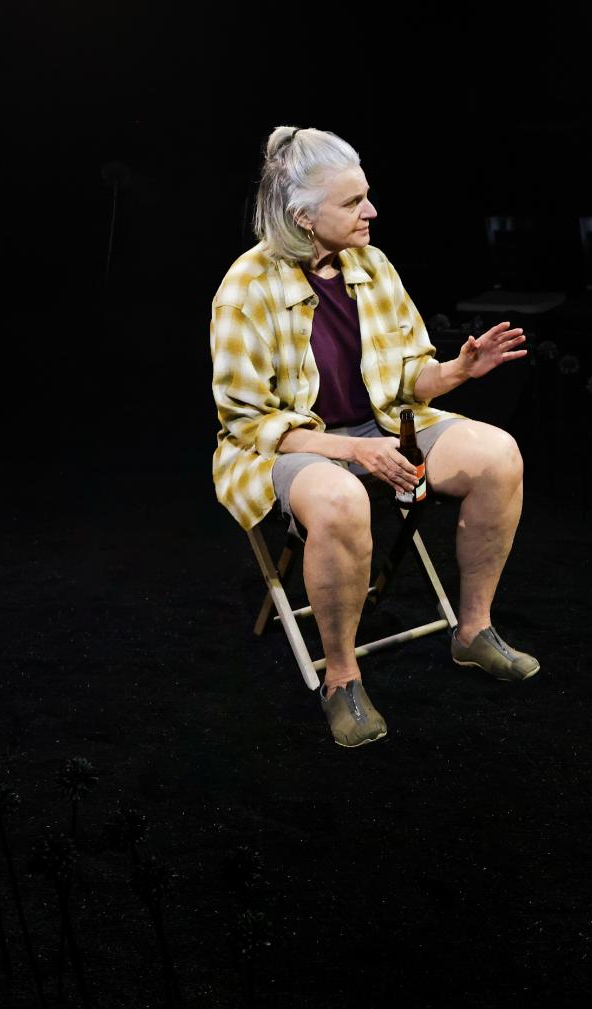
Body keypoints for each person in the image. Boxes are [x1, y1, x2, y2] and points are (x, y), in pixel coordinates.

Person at [211, 126, 535, 746]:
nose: (371, 212)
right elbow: (249, 424)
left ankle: (473, 631)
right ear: (304, 218)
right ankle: (341, 679)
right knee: (341, 498)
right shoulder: (245, 288)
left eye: (366, 196)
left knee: (499, 455)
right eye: (353, 202)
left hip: (382, 426)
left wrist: (459, 370)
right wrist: (353, 450)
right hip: (289, 447)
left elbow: (410, 377)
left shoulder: (372, 265)